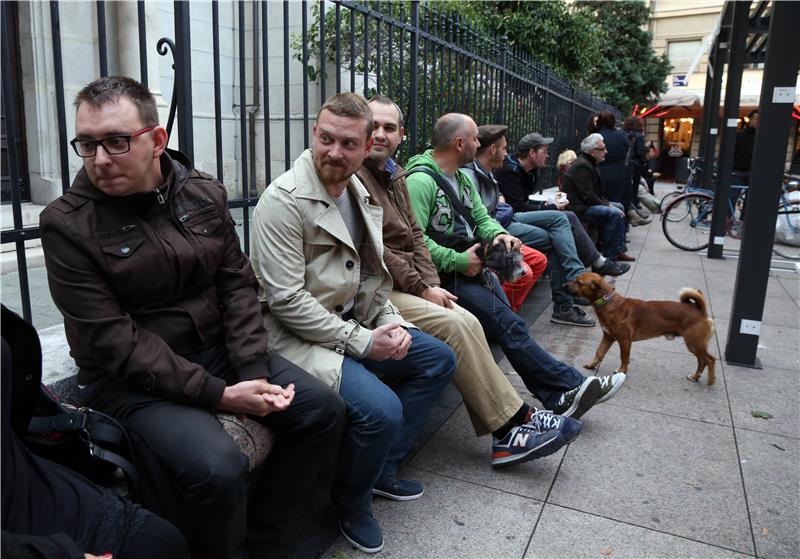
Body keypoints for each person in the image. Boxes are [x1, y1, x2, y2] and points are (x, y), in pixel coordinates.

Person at [39, 76, 345, 559]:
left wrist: (253, 373)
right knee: (216, 466)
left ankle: (266, 543)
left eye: (116, 142)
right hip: (129, 383)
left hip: (219, 354)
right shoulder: (67, 224)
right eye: (87, 144)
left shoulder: (201, 192)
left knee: (321, 411)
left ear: (157, 140)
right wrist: (221, 395)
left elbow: (237, 286)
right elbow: (113, 341)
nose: (100, 159)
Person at [250, 92, 456, 555]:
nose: (334, 152)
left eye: (347, 144)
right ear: (314, 134)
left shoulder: (360, 193)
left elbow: (372, 274)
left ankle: (380, 470)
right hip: (295, 339)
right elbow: (286, 301)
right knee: (381, 411)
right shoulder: (282, 201)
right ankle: (351, 502)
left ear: (366, 149)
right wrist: (363, 341)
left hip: (354, 322)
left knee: (438, 358)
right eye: (326, 139)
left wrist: (391, 321)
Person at [356, 95, 581, 470]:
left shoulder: (394, 174)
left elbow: (416, 236)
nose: (379, 134)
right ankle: (521, 417)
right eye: (372, 127)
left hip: (414, 279)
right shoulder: (390, 177)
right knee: (466, 322)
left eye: (389, 128)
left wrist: (492, 241)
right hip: (381, 287)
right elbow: (381, 248)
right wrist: (431, 282)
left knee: (476, 315)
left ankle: (522, 417)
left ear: (401, 135)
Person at [404, 112, 626, 429]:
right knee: (509, 325)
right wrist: (459, 261)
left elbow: (482, 218)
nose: (480, 143)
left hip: (469, 268)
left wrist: (499, 235)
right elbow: (416, 240)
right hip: (444, 276)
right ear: (459, 142)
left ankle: (560, 394)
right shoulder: (420, 181)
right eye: (476, 139)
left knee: (510, 325)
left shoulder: (463, 177)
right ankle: (568, 387)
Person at [2, 305, 191, 559]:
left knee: (160, 541)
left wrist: (250, 366)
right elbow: (111, 334)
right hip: (15, 531)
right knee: (216, 465)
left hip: (19, 472)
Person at [492, 131, 630, 325]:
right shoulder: (509, 170)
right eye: (544, 151)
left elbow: (521, 202)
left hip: (514, 219)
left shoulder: (527, 171)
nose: (548, 155)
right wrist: (548, 207)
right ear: (532, 153)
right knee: (561, 224)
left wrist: (547, 203)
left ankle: (571, 294)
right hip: (506, 224)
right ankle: (575, 282)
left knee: (564, 222)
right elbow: (515, 207)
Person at [459, 124, 548, 310]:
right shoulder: (470, 178)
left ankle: (506, 312)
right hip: (480, 243)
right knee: (524, 273)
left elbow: (495, 212)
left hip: (497, 232)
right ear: (492, 150)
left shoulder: (489, 174)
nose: (508, 154)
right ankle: (498, 315)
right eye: (505, 148)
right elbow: (475, 223)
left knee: (539, 260)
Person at [562, 133, 632, 263]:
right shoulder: (582, 165)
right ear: (593, 152)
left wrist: (608, 204)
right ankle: (609, 257)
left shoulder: (589, 162)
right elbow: (587, 195)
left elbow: (594, 194)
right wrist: (608, 205)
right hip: (579, 208)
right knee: (614, 213)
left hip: (586, 204)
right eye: (602, 149)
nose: (606, 152)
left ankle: (618, 250)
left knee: (619, 206)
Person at [591, 111, 650, 226]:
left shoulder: (596, 137)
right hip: (622, 174)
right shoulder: (621, 135)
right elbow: (629, 152)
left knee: (608, 206)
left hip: (602, 174)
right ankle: (621, 235)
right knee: (621, 205)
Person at [622, 115, 647, 210]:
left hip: (625, 163)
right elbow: (640, 151)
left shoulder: (624, 133)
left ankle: (628, 204)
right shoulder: (639, 136)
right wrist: (643, 161)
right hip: (635, 164)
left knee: (627, 185)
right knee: (635, 185)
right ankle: (633, 204)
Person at [733, 109, 758, 184]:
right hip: (739, 171)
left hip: (754, 171)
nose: (758, 121)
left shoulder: (761, 136)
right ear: (750, 119)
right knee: (734, 194)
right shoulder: (740, 134)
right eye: (756, 119)